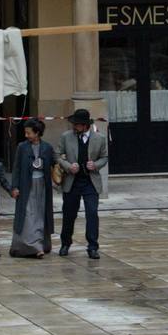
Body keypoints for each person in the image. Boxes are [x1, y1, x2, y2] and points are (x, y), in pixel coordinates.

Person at [56, 108, 109, 259]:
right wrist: (68, 166)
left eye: (77, 124)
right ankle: (65, 243)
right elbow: (58, 155)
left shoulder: (99, 138)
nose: (74, 127)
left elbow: (104, 157)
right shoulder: (66, 136)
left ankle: (92, 246)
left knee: (92, 213)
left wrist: (96, 165)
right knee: (69, 214)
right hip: (72, 181)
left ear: (85, 125)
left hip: (90, 182)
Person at [10, 120, 55, 258]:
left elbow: (55, 163)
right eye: (26, 132)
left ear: (37, 133)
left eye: (29, 132)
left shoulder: (47, 147)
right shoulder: (22, 147)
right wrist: (15, 186)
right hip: (26, 185)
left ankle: (41, 244)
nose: (26, 135)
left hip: (42, 186)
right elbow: (16, 168)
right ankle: (33, 247)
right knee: (28, 214)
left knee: (41, 214)